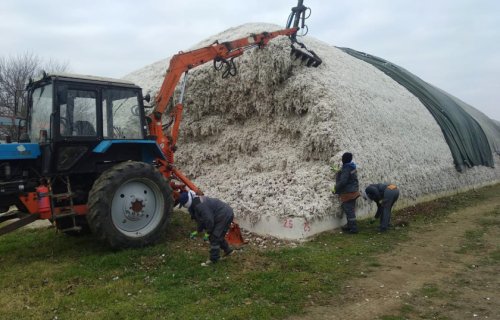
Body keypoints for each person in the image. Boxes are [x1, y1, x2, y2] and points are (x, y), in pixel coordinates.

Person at [178, 191, 235, 266]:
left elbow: (209, 220)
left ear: (187, 202)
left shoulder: (199, 205)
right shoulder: (195, 204)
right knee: (217, 235)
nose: (184, 206)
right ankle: (228, 250)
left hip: (224, 214)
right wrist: (198, 230)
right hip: (220, 214)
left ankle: (214, 259)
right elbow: (201, 220)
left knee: (215, 236)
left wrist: (208, 232)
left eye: (184, 204)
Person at [334, 152, 360, 234]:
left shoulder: (346, 168)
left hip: (348, 192)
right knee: (350, 209)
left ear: (343, 159)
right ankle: (350, 226)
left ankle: (353, 228)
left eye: (342, 158)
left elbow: (343, 181)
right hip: (354, 191)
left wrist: (335, 188)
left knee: (349, 210)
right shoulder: (352, 167)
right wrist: (339, 171)